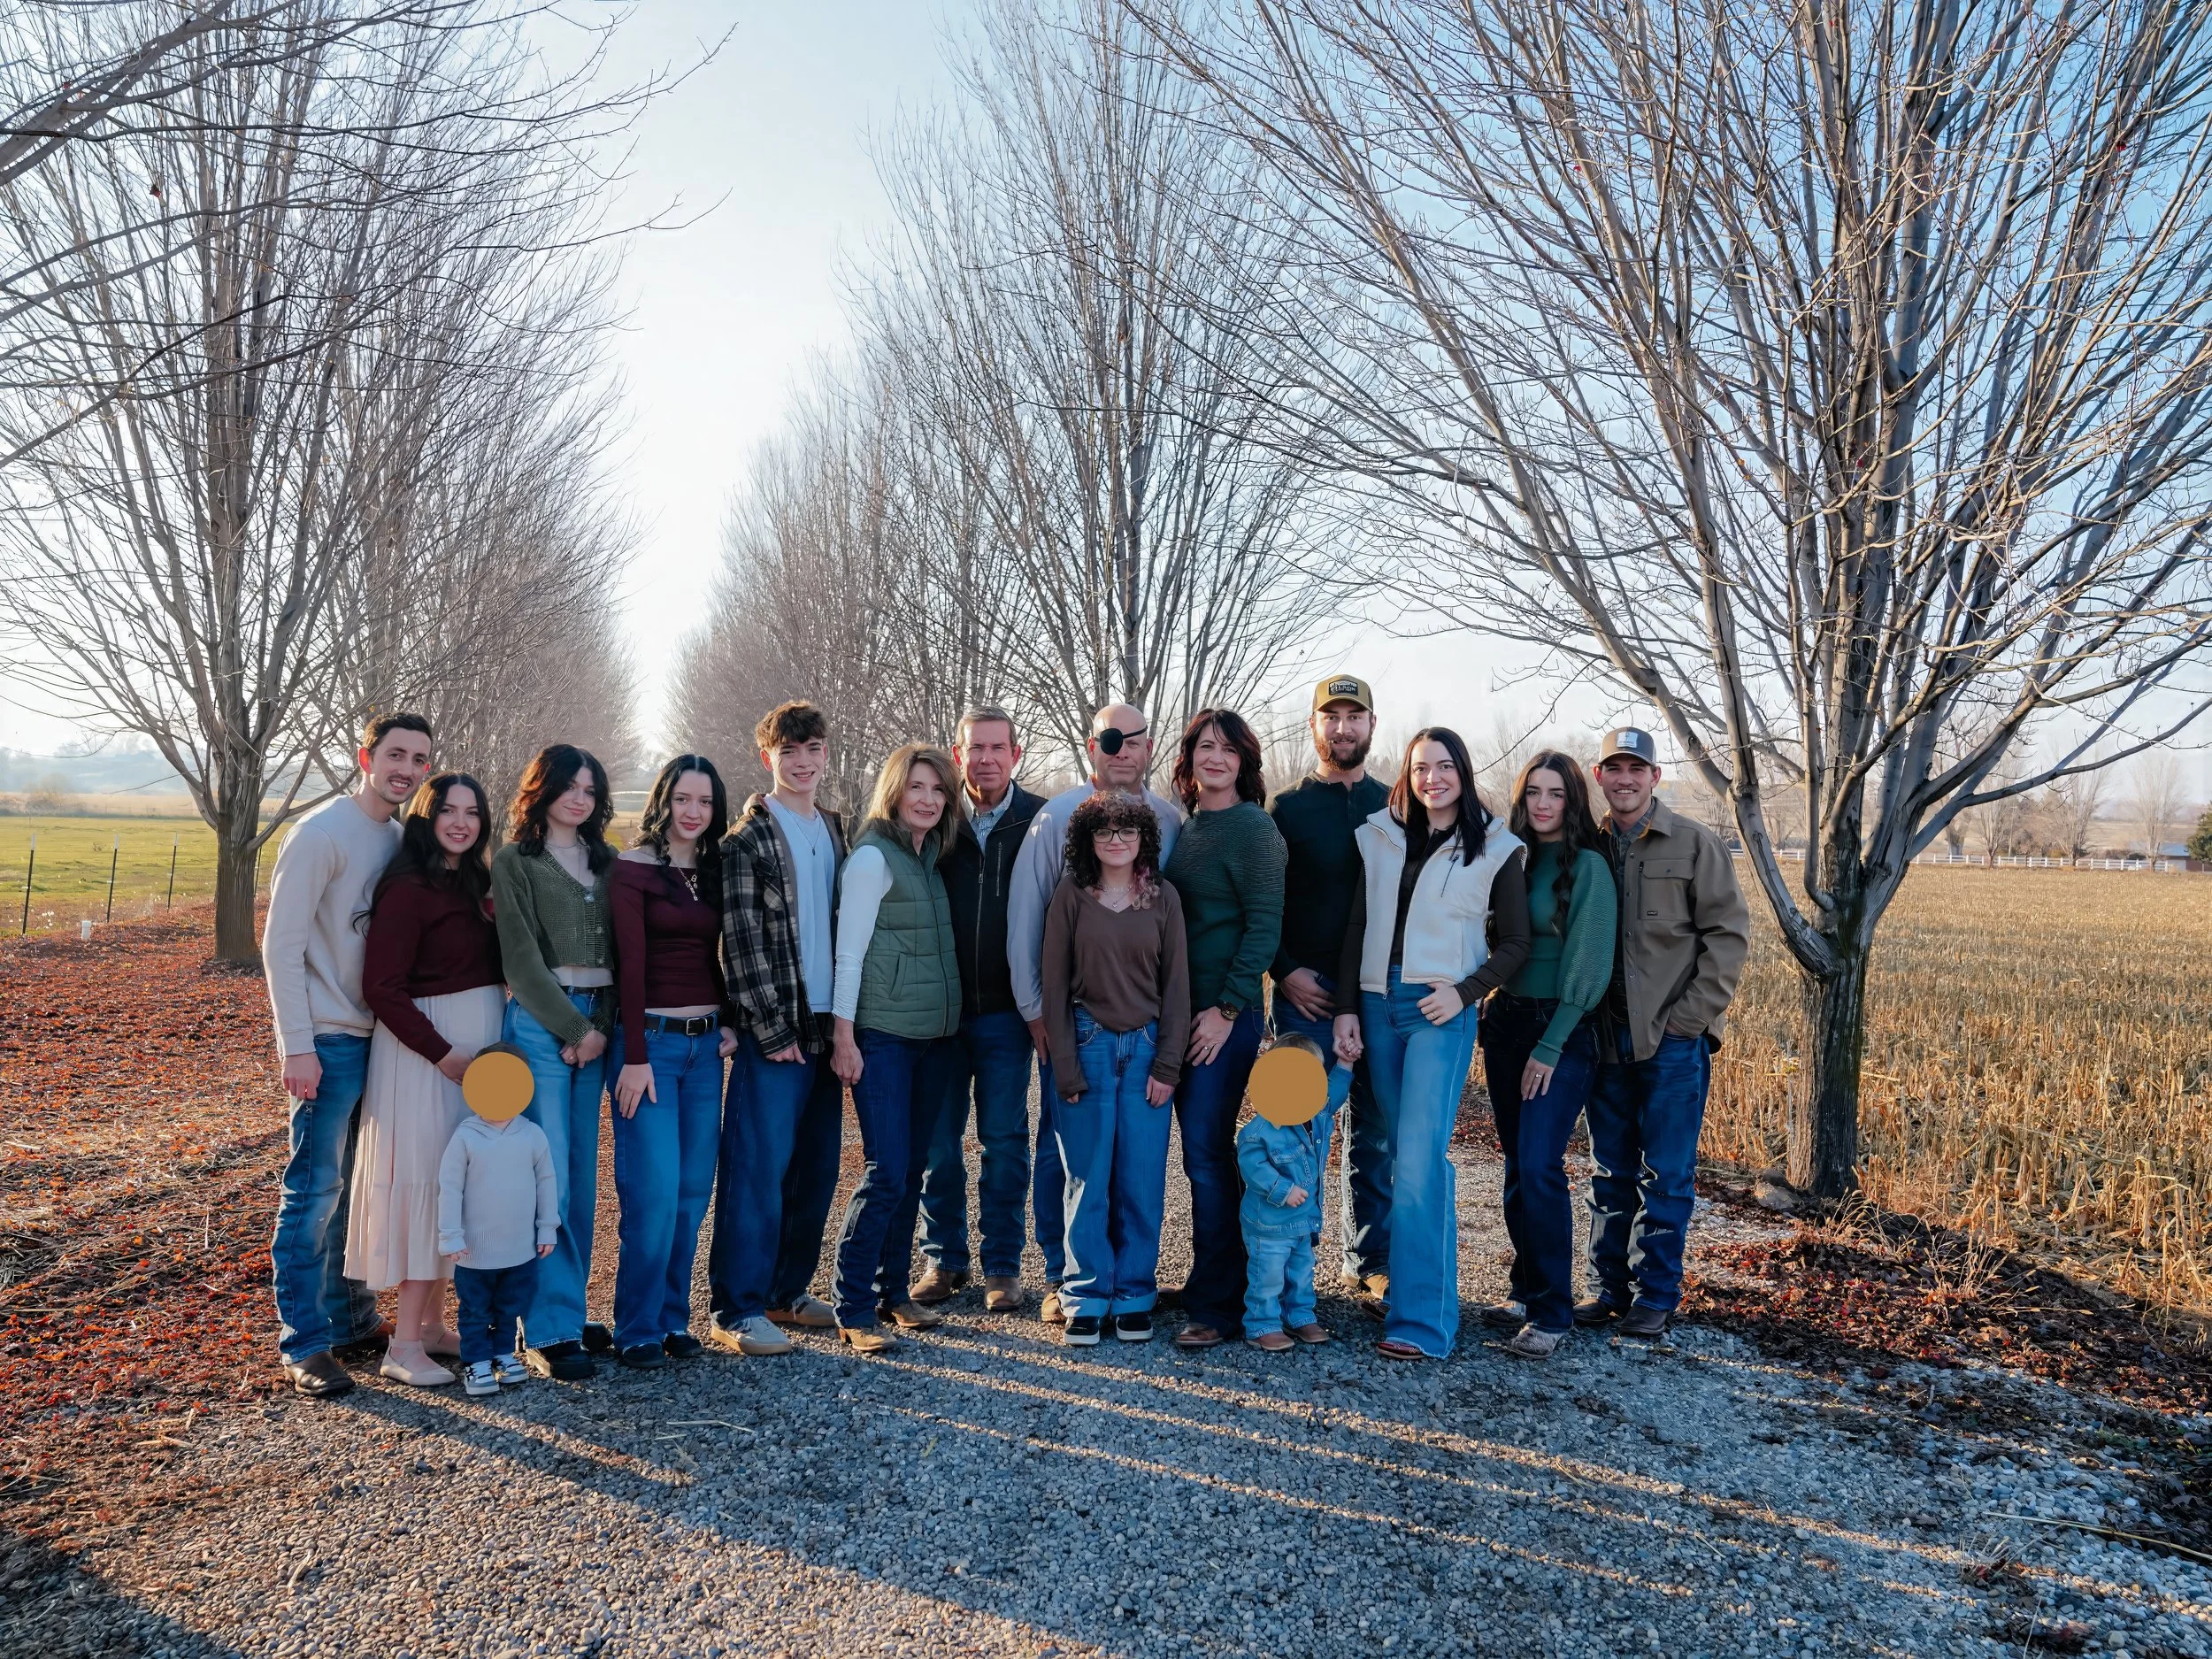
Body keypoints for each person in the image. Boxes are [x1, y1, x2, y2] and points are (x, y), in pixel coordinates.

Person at [1333, 727, 1531, 1361]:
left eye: (1445, 766)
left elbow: (1517, 943)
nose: (1432, 778)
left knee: (1420, 1161)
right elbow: (1358, 925)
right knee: (1393, 1153)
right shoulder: (1381, 835)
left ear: (1463, 773)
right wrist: (1346, 1008)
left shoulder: (1495, 847)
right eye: (1421, 767)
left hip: (1438, 1012)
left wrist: (1466, 992)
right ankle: (1407, 1293)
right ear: (1408, 775)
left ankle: (1424, 1321)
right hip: (1375, 1003)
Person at [264, 712, 432, 1398]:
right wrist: (295, 1045)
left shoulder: (398, 839)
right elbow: (281, 946)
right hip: (329, 1039)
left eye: (419, 759)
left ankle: (350, 1316)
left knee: (358, 1188)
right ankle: (303, 1341)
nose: (407, 768)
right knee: (313, 1190)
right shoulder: (321, 834)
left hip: (381, 1038)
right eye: (395, 754)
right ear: (366, 755)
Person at [1007, 703, 1183, 1323]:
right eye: (1107, 740)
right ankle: (1067, 1276)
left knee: (1135, 1163)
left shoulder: (1167, 820)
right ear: (1091, 747)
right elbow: (1029, 922)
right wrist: (1039, 1016)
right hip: (1075, 1025)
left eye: (1128, 740)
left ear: (1147, 745)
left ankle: (1129, 1283)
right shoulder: (1057, 820)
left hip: (1144, 1025)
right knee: (1071, 1155)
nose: (1118, 751)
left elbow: (1171, 946)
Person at [1577, 727, 1749, 1339]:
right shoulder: (1585, 845)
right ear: (1599, 776)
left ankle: (1657, 1295)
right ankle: (1608, 1290)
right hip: (1604, 1042)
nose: (1625, 778)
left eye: (1637, 768)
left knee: (1667, 1174)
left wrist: (1689, 1020)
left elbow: (1728, 937)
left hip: (1672, 1042)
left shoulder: (1694, 843)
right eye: (1614, 767)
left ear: (1655, 777)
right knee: (1609, 1171)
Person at [347, 772, 506, 1387]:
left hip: (474, 1052)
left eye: (472, 811)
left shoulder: (472, 884)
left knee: (456, 1187)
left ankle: (435, 1327)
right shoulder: (407, 887)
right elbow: (381, 986)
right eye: (448, 810)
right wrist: (442, 1052)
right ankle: (403, 1343)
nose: (461, 821)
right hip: (424, 1056)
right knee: (427, 1187)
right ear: (425, 816)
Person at [709, 702, 848, 1356]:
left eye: (812, 748)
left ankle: (786, 1291)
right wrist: (767, 1025)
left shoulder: (836, 829)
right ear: (767, 756)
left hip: (826, 1023)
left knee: (815, 1168)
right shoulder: (748, 840)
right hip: (778, 1026)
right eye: (788, 750)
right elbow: (738, 942)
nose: (802, 760)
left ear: (825, 754)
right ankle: (736, 1308)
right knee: (756, 1170)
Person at [1476, 751, 1617, 1360]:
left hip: (1559, 1028)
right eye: (1532, 791)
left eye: (1555, 793)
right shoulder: (1510, 858)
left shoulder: (1587, 867)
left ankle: (1554, 1312)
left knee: (1538, 1163)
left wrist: (1552, 1044)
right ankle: (1526, 1291)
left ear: (1573, 801)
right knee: (1514, 1162)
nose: (1542, 803)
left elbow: (1588, 967)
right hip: (1505, 1021)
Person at [827, 744, 966, 1353]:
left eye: (938, 790)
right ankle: (853, 1305)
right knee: (885, 1171)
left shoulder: (929, 855)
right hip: (882, 1037)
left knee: (912, 1167)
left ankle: (893, 1292)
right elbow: (849, 952)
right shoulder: (872, 859)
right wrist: (844, 1035)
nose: (928, 799)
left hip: (933, 1039)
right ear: (894, 790)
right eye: (917, 787)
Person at [1039, 792, 1191, 1346]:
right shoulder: (1071, 897)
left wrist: (1169, 1065)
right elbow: (1053, 988)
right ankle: (1085, 1294)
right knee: (1086, 1177)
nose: (1117, 840)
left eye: (1127, 830)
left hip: (1148, 1049)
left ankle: (1133, 1293)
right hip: (1088, 1044)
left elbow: (1178, 988)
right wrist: (1066, 1067)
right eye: (1104, 832)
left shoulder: (1164, 899)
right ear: (1088, 841)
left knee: (1141, 1178)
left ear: (1143, 839)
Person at [491, 744, 618, 1383]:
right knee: (550, 1179)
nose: (579, 798)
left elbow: (626, 954)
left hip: (597, 1026)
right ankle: (543, 1328)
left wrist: (598, 1028)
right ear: (541, 790)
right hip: (542, 1028)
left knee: (580, 1177)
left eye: (590, 789)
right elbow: (518, 960)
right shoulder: (515, 862)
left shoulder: (608, 861)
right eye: (568, 786)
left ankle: (569, 1310)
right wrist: (572, 1028)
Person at [915, 706, 1047, 1314]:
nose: (987, 757)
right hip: (941, 1011)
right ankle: (942, 1258)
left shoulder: (1039, 819)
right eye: (976, 747)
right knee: (939, 1142)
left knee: (1002, 1140)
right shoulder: (935, 817)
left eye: (998, 747)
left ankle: (1002, 1265)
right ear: (958, 751)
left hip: (1004, 1013)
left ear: (1015, 754)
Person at [1161, 709, 1286, 1351]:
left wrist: (1228, 1008)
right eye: (1204, 747)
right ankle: (1212, 1278)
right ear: (1188, 760)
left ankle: (1219, 1306)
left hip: (1221, 1019)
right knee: (1195, 1156)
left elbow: (1265, 926)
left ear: (1244, 761)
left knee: (1208, 1156)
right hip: (1180, 1014)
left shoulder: (1251, 828)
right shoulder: (1190, 827)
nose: (1215, 757)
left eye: (1227, 749)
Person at [609, 756, 737, 1371]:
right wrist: (633, 1056)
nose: (693, 812)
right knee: (653, 1193)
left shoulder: (709, 871)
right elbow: (629, 967)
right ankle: (634, 1326)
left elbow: (715, 951)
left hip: (704, 1047)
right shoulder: (631, 870)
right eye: (683, 798)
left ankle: (671, 1318)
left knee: (691, 1192)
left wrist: (731, 1017)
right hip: (651, 1047)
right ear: (664, 800)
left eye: (705, 802)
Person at [1267, 674, 1392, 1301]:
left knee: (1376, 1132)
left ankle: (1367, 1261)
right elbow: (1262, 904)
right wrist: (1283, 968)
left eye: (1355, 715)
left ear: (1373, 724)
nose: (1343, 727)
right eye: (1331, 716)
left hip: (1379, 995)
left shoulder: (1396, 805)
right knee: (1294, 1133)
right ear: (1314, 726)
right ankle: (1289, 1270)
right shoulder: (1285, 809)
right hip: (1303, 993)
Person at [437, 1048, 559, 1397]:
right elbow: (449, 1188)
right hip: (474, 1253)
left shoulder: (532, 1134)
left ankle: (504, 1354)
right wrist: (450, 1235)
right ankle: (476, 1362)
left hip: (520, 1248)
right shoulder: (466, 1137)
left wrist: (547, 1226)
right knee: (475, 1309)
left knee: (510, 1307)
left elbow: (546, 1182)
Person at [1236, 1039, 1353, 1351]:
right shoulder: (1259, 1131)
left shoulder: (1317, 1113)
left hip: (1303, 1221)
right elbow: (1252, 1165)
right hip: (1270, 1223)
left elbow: (1336, 1093)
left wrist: (1344, 1063)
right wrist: (1283, 1190)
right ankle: (1262, 1325)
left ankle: (1300, 1315)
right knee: (1268, 1274)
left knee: (1301, 1271)